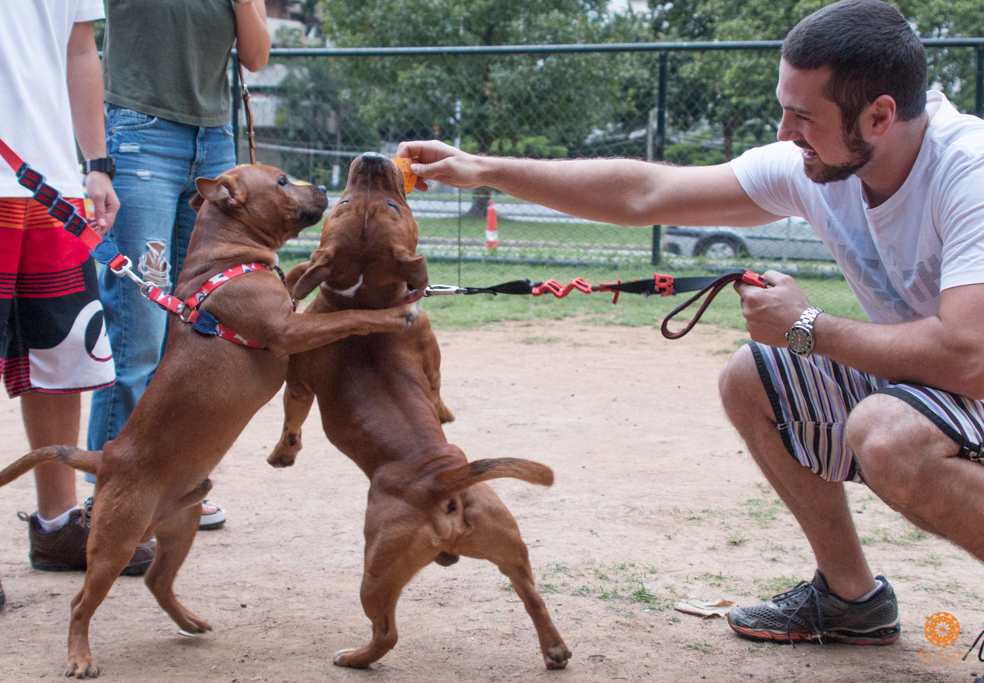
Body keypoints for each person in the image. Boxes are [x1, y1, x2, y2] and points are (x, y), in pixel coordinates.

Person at [398, 0, 984, 646]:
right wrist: (482, 169)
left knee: (885, 433)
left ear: (878, 115)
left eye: (803, 116)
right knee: (751, 375)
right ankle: (851, 599)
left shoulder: (968, 171)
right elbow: (643, 193)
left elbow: (967, 356)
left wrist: (807, 325)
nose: (785, 132)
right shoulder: (816, 166)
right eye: (783, 108)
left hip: (967, 380)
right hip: (945, 391)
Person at [0, 0, 155, 612]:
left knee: (62, 355)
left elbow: (78, 49)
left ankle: (57, 522)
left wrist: (96, 164)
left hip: (49, 181)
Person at [86, 0, 271, 530]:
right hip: (141, 134)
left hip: (214, 142)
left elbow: (255, 56)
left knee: (195, 329)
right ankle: (112, 494)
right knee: (137, 326)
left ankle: (173, 486)